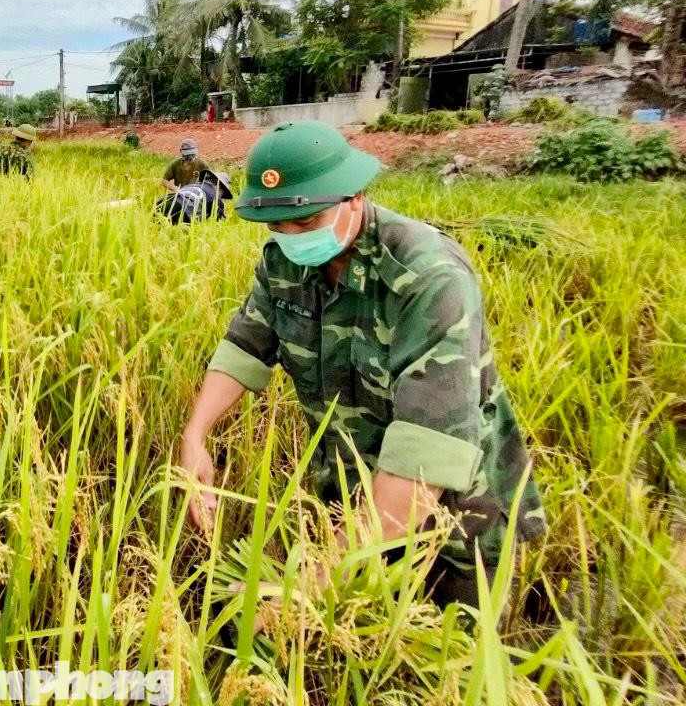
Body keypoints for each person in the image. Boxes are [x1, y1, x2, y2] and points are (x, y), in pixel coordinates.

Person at [179, 120, 544, 610]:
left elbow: (425, 457)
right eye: (277, 225)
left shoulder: (427, 277)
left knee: (443, 644)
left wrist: (312, 583)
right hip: (353, 499)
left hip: (453, 520)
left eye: (306, 222)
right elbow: (246, 345)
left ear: (354, 196)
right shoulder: (285, 262)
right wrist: (195, 436)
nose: (291, 237)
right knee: (347, 636)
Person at [156, 169, 231, 224]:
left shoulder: (191, 185)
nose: (221, 196)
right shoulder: (215, 197)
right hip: (184, 209)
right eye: (222, 193)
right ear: (219, 187)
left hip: (162, 202)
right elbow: (220, 222)